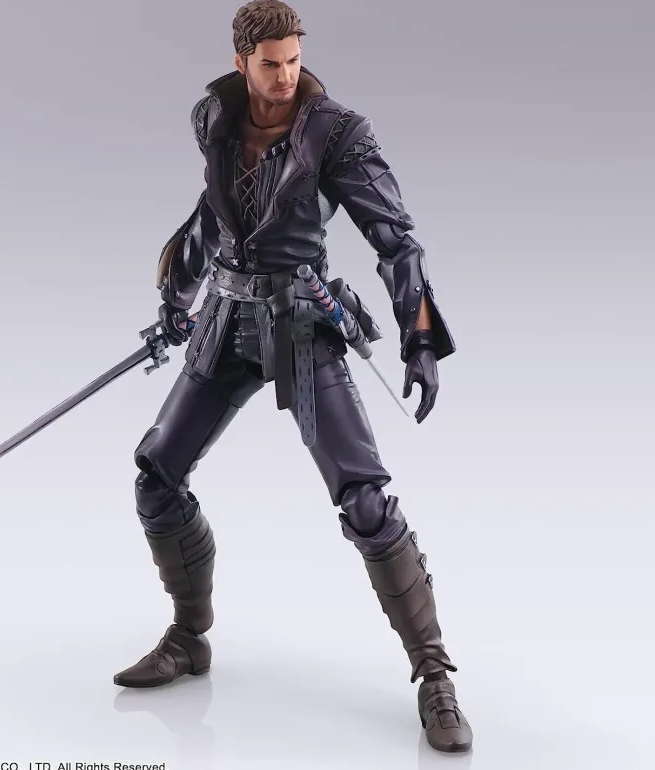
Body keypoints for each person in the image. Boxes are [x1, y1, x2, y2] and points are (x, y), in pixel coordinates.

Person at [114, 0, 472, 754]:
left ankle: (434, 673)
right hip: (223, 323)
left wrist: (420, 337)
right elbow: (214, 215)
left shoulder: (336, 133)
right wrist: (176, 299)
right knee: (156, 476)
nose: (284, 77)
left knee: (365, 501)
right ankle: (189, 638)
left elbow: (395, 239)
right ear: (242, 62)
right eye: (270, 64)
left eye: (294, 61)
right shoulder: (214, 120)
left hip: (301, 324)